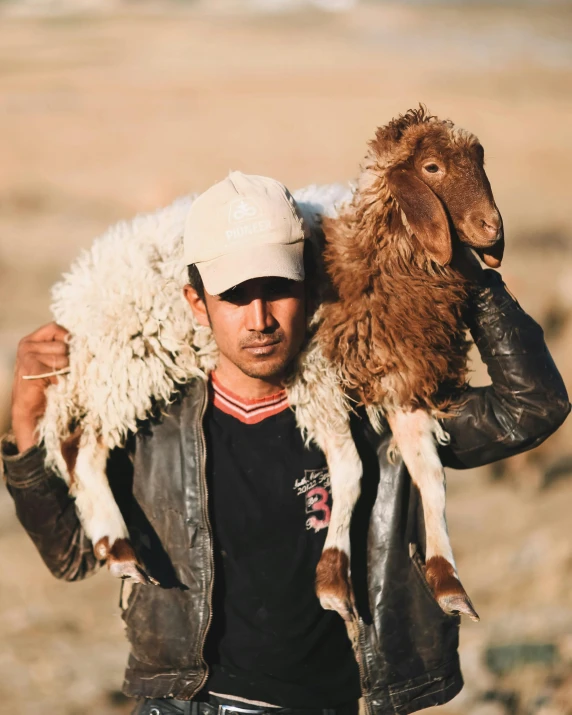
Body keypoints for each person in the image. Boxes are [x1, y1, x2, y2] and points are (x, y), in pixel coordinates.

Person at [2, 172, 569, 715]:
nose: (259, 319)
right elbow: (73, 556)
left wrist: (462, 270)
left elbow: (531, 408)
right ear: (197, 303)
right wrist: (26, 422)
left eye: (278, 289)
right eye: (234, 296)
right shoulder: (153, 422)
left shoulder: (373, 412)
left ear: (312, 284)